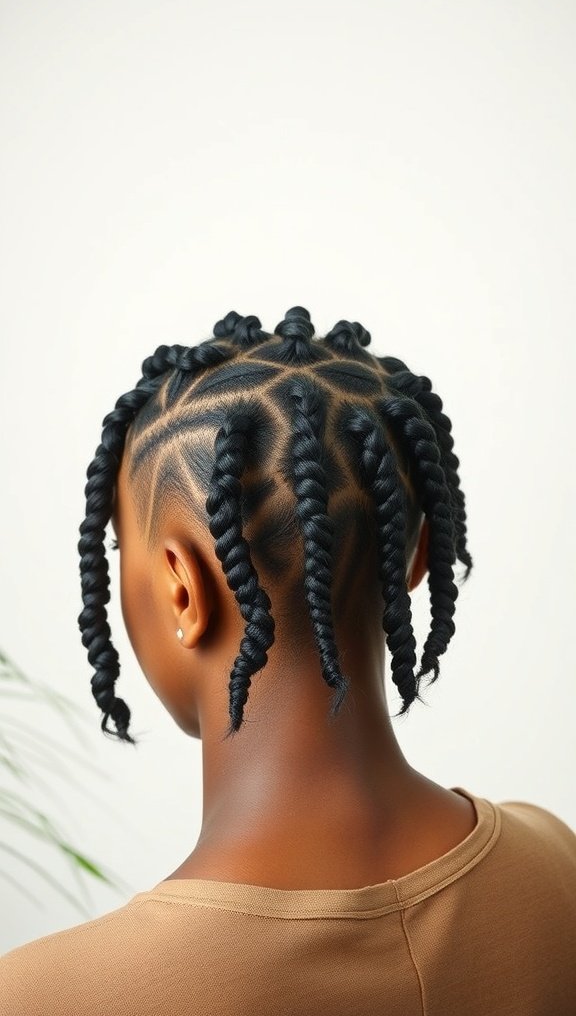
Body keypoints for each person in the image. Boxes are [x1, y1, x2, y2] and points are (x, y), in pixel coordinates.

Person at [1, 305, 575, 1014]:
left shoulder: (45, 997)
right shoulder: (557, 866)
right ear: (418, 555)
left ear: (182, 590)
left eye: (121, 550)